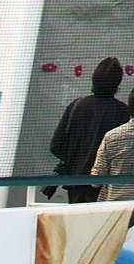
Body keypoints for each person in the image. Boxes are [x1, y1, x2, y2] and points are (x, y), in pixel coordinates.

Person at [48, 56, 128, 203]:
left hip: (76, 183)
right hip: (107, 185)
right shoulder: (123, 112)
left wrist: (75, 158)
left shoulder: (76, 106)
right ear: (117, 83)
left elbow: (56, 145)